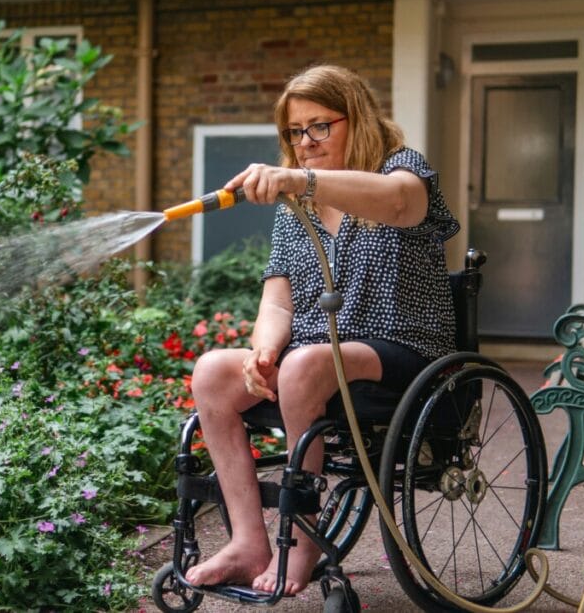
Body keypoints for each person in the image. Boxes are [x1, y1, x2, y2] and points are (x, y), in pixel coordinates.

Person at [183, 64, 460, 595]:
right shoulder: (295, 207)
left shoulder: (401, 169)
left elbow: (399, 202)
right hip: (318, 358)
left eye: (319, 126)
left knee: (307, 362)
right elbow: (278, 300)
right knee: (214, 372)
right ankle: (247, 541)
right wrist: (264, 350)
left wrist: (297, 179)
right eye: (295, 132)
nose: (305, 142)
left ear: (356, 117)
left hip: (404, 349)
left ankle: (301, 543)